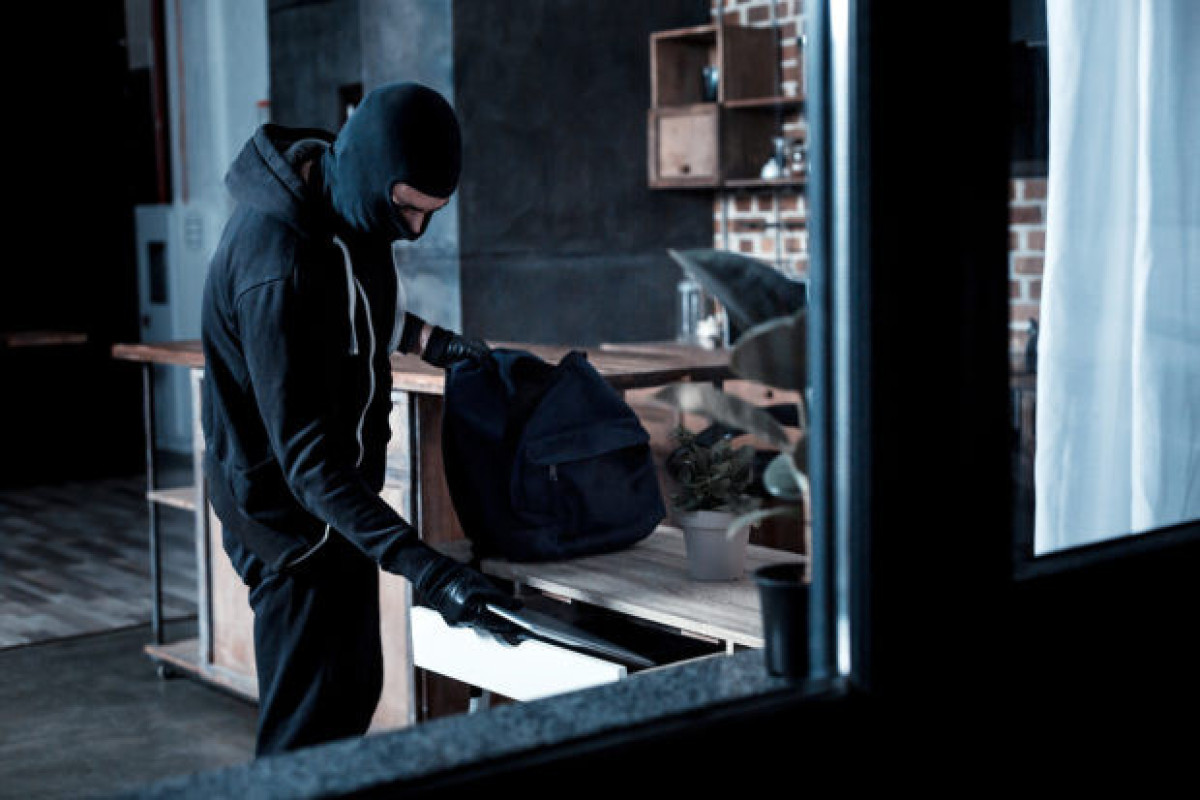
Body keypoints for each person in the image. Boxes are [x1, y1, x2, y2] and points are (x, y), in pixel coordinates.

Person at [200, 81, 521, 756]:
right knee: (304, 736)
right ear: (376, 179)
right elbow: (307, 462)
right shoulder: (275, 265)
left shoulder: (347, 198)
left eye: (431, 213)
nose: (415, 231)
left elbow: (351, 303)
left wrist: (431, 341)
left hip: (341, 507)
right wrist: (431, 572)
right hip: (287, 525)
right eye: (408, 209)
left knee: (353, 693)